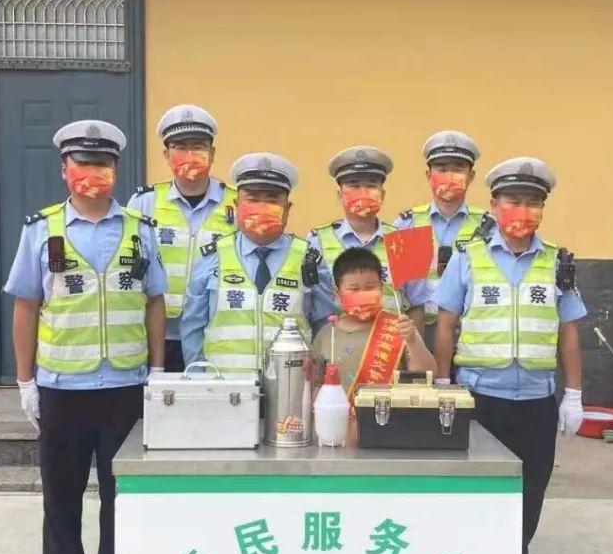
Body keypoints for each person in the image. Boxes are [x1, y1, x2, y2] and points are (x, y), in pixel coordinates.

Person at [5, 120, 167, 554]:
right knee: (62, 496)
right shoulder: (41, 229)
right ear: (64, 170)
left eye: (102, 164)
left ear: (115, 170)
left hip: (124, 387)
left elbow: (155, 302)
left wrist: (159, 371)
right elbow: (26, 307)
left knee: (123, 500)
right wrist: (26, 382)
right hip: (63, 388)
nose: (91, 174)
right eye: (82, 164)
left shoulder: (139, 231)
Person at [431, 157, 585, 554]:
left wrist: (573, 395)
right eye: (513, 200)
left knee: (530, 492)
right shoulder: (468, 259)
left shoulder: (557, 262)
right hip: (481, 399)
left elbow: (568, 331)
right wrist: (444, 384)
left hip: (536, 402)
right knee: (475, 493)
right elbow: (445, 324)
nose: (522, 210)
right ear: (495, 205)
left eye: (532, 202)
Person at [180, 152, 338, 372]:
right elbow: (192, 327)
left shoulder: (308, 260)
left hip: (290, 388)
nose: (262, 206)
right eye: (253, 199)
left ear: (288, 209)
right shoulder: (212, 256)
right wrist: (198, 380)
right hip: (226, 390)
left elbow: (325, 327)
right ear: (236, 205)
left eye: (272, 199)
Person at [128, 104, 236, 372]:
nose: (190, 154)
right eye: (180, 146)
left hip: (214, 333)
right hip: (158, 335)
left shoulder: (237, 202)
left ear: (212, 153)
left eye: (198, 146)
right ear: (167, 154)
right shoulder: (145, 202)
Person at [311, 247, 436, 445]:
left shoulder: (398, 328)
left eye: (370, 287)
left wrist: (413, 340)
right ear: (337, 293)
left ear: (381, 288)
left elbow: (427, 374)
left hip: (391, 429)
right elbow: (313, 383)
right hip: (338, 434)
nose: (363, 294)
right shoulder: (327, 334)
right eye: (354, 289)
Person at [307, 146, 428, 326]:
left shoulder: (406, 240)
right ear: (340, 195)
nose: (363, 192)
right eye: (354, 185)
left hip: (391, 348)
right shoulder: (316, 241)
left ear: (382, 194)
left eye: (371, 185)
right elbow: (317, 310)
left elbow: (417, 307)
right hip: (338, 348)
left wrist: (412, 350)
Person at [395, 131, 487, 333]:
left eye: (458, 169)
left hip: (469, 334)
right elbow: (401, 292)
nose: (449, 176)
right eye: (441, 169)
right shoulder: (409, 224)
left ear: (471, 177)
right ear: (429, 175)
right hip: (419, 329)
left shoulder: (488, 226)